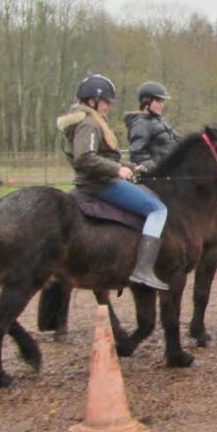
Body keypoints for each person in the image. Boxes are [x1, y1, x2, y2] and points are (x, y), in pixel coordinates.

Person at [56, 74, 168, 290]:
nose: (109, 106)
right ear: (92, 101)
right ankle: (143, 269)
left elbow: (106, 156)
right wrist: (117, 170)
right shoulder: (88, 123)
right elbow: (85, 158)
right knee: (158, 209)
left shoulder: (91, 121)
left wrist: (131, 167)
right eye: (106, 101)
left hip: (101, 179)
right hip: (100, 184)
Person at [125, 80, 181, 170]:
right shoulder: (141, 124)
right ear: (146, 102)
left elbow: (179, 140)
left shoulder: (160, 121)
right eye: (158, 101)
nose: (161, 105)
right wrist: (157, 169)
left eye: (162, 101)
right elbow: (136, 154)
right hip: (158, 174)